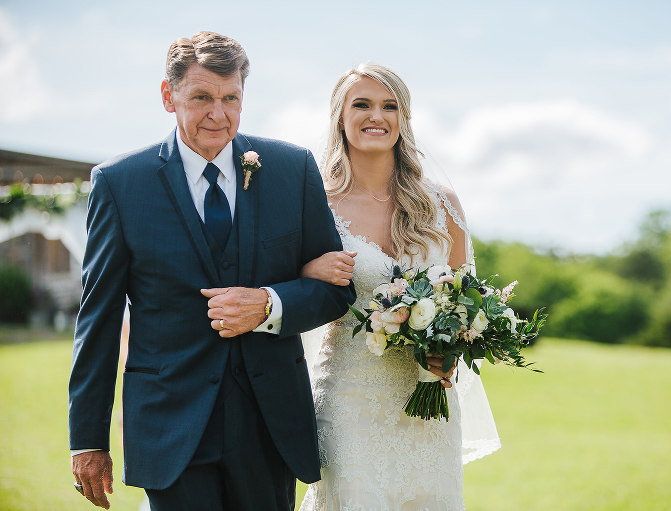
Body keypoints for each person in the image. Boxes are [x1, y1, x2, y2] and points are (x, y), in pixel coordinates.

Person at [68, 31, 355, 510]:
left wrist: (270, 304)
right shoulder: (120, 184)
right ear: (169, 95)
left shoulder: (292, 169)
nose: (218, 114)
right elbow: (97, 317)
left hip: (269, 424)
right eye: (201, 97)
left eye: (230, 98)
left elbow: (333, 291)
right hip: (169, 423)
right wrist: (88, 440)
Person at [297, 63, 500, 511]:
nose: (377, 116)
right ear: (340, 116)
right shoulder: (315, 205)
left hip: (428, 402)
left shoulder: (441, 204)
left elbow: (464, 300)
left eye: (390, 106)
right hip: (350, 400)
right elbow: (294, 293)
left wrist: (447, 357)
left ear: (403, 119)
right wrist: (309, 274)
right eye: (363, 104)